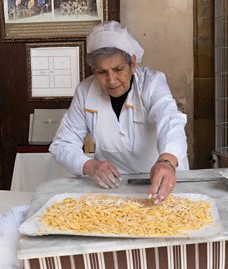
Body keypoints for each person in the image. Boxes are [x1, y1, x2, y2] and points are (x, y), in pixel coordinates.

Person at [49, 21, 189, 204]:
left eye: (118, 69)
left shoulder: (152, 83)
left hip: (162, 181)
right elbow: (62, 144)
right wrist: (89, 166)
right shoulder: (85, 92)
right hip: (114, 190)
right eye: (101, 72)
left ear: (132, 63)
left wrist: (167, 161)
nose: (111, 80)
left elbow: (170, 120)